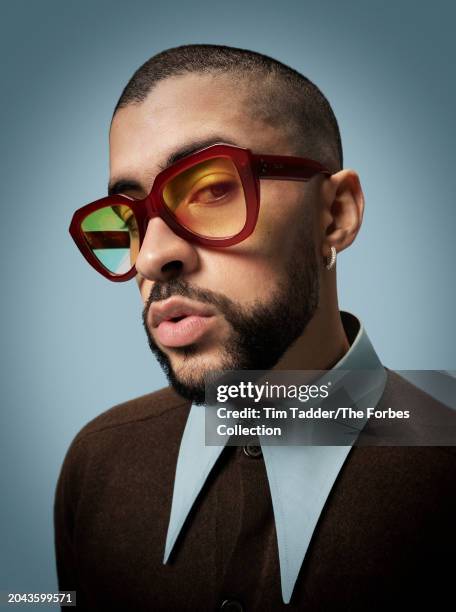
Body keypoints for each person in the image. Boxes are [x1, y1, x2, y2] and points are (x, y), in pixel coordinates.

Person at [55, 44, 455, 611]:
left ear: (335, 214)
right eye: (129, 218)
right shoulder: (96, 463)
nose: (150, 258)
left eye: (212, 188)